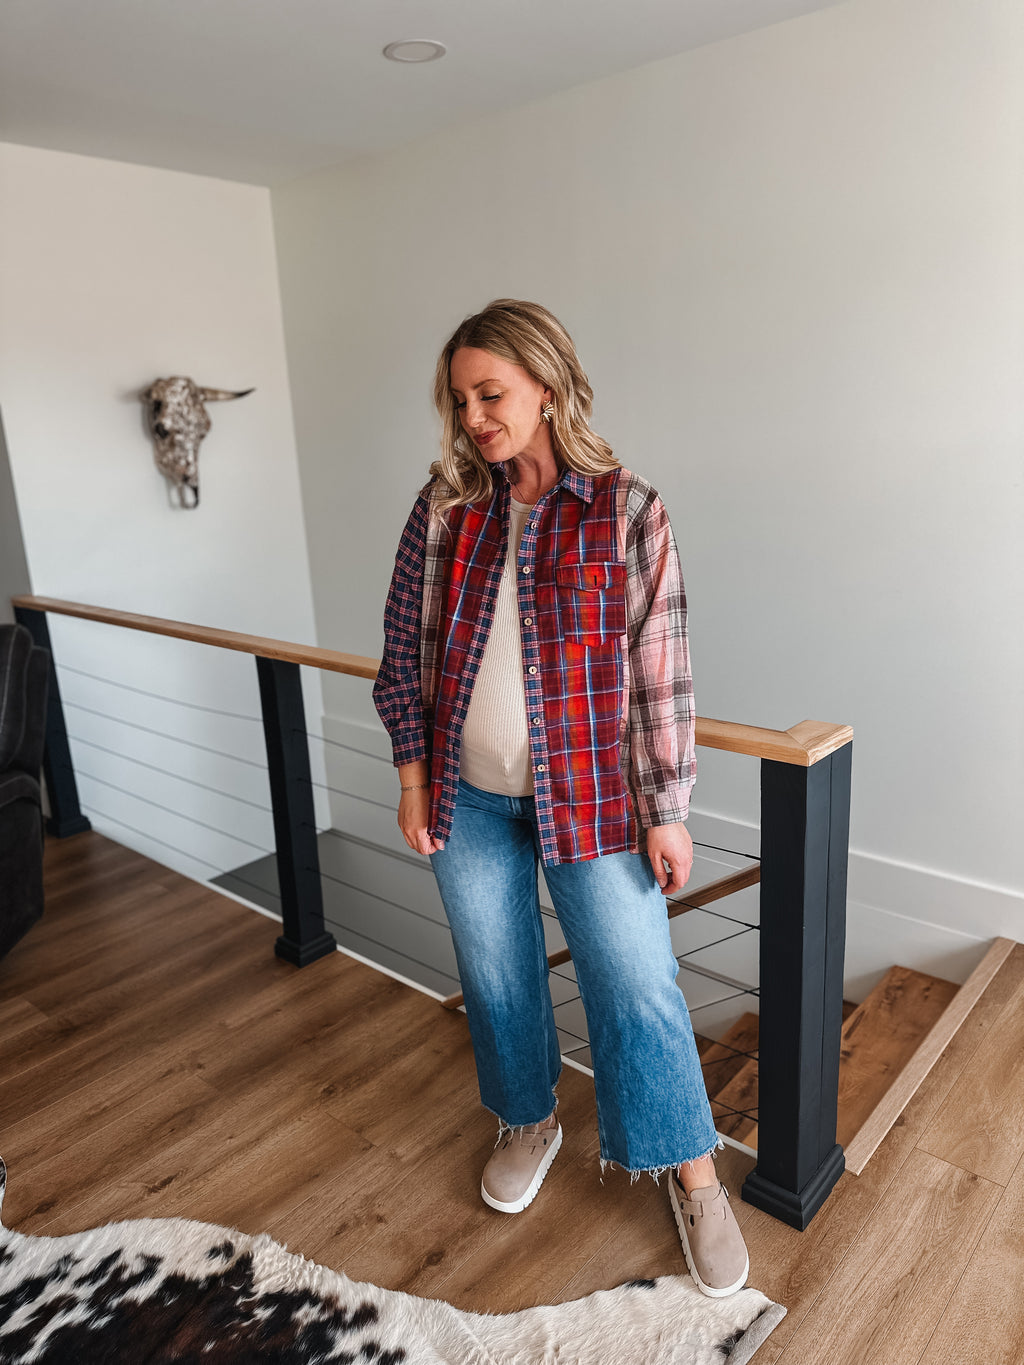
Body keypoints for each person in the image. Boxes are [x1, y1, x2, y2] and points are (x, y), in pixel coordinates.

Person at [373, 299, 749, 1298]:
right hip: (466, 800)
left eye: (490, 395)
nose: (474, 418)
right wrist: (415, 777)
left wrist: (666, 806)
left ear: (546, 387)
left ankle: (694, 1175)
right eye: (460, 401)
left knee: (636, 986)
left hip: (593, 803)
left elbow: (658, 672)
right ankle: (528, 1119)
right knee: (497, 978)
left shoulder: (625, 510)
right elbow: (405, 654)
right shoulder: (445, 511)